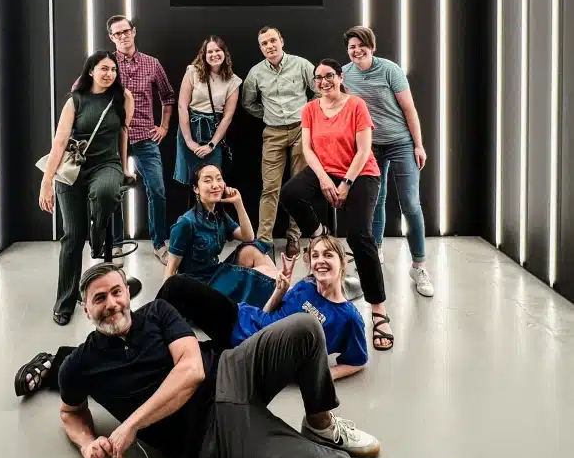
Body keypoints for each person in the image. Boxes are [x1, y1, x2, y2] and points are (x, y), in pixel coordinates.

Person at [13, 262, 536, 458]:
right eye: (99, 299)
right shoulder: (81, 366)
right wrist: (86, 443)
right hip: (216, 439)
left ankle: (320, 420)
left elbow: (192, 370)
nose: (112, 303)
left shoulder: (157, 314)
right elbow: (71, 413)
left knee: (305, 327)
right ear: (86, 309)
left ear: (128, 293)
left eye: (116, 292)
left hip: (229, 371)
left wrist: (128, 427)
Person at [280, 59, 394, 352]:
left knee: (359, 236)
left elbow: (364, 150)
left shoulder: (356, 105)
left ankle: (379, 310)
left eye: (329, 76)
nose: (323, 82)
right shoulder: (310, 109)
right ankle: (320, 234)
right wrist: (323, 179)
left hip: (361, 173)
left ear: (340, 77)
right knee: (291, 193)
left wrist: (346, 183)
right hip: (326, 171)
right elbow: (308, 150)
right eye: (318, 78)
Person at [158, 234, 367, 380]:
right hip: (241, 321)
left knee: (185, 359)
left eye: (328, 255)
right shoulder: (306, 286)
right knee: (177, 286)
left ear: (342, 263)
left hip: (259, 353)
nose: (320, 261)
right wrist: (279, 291)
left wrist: (323, 375)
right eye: (315, 256)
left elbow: (357, 361)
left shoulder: (349, 317)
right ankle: (145, 332)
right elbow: (268, 313)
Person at [39, 51, 134, 325]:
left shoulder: (123, 98)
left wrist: (124, 167)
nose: (109, 74)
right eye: (104, 69)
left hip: (107, 164)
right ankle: (65, 303)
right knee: (72, 237)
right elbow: (59, 142)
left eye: (113, 70)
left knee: (105, 193)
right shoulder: (75, 100)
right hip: (73, 169)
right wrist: (47, 181)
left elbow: (123, 133)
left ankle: (97, 232)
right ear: (91, 71)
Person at [342, 26, 434, 297]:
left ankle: (419, 266)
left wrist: (418, 144)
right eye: (351, 47)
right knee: (376, 200)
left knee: (410, 204)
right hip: (370, 146)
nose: (357, 50)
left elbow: (409, 109)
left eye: (361, 45)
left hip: (400, 142)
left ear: (371, 46)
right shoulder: (345, 74)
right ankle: (376, 250)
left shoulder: (390, 70)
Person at [106, 15, 175, 266]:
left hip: (146, 137)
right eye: (117, 33)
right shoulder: (107, 64)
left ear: (133, 31)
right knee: (113, 192)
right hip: (115, 139)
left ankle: (159, 244)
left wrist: (164, 126)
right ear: (111, 37)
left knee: (157, 190)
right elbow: (81, 89)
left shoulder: (152, 63)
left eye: (126, 31)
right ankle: (115, 244)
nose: (123, 36)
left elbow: (168, 96)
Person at [241, 26, 314, 259]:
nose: (269, 46)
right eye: (264, 43)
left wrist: (309, 114)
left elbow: (319, 91)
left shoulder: (301, 65)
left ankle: (294, 236)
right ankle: (264, 240)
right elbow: (248, 102)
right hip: (272, 133)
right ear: (260, 48)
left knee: (298, 187)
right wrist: (268, 115)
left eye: (273, 40)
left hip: (301, 131)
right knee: (270, 188)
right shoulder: (255, 73)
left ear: (281, 41)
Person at [165, 163, 278, 308]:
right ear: (196, 189)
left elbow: (248, 237)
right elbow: (171, 268)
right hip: (199, 287)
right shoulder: (185, 223)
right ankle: (283, 295)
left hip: (215, 272)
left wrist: (238, 203)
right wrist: (165, 307)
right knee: (262, 274)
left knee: (253, 249)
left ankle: (281, 290)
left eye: (219, 179)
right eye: (207, 180)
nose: (215, 185)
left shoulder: (219, 215)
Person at [174, 37, 241, 185]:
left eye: (218, 50)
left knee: (213, 179)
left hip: (213, 131)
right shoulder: (193, 72)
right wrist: (189, 141)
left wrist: (212, 144)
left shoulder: (233, 81)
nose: (214, 54)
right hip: (190, 128)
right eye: (210, 51)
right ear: (204, 55)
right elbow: (182, 106)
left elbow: (227, 117)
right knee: (192, 181)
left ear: (224, 53)